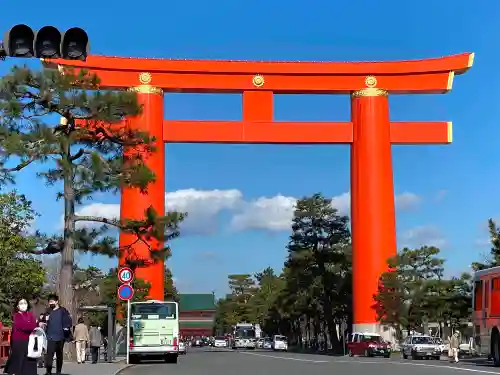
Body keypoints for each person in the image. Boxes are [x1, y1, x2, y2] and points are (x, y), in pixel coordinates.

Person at [4, 298, 38, 375]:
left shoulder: (30, 315)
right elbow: (23, 327)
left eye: (25, 303)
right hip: (19, 342)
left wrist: (31, 325)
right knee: (20, 362)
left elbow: (34, 326)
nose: (23, 305)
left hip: (30, 341)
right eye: (21, 303)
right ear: (17, 306)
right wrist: (31, 325)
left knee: (30, 361)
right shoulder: (16, 315)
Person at [44, 294, 72, 375]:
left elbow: (68, 319)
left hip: (60, 336)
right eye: (49, 302)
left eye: (52, 301)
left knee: (59, 354)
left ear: (56, 301)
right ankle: (48, 371)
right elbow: (42, 320)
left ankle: (58, 371)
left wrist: (66, 327)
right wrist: (44, 321)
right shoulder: (48, 311)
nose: (50, 303)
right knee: (50, 354)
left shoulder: (63, 310)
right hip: (50, 336)